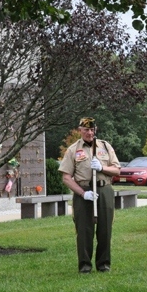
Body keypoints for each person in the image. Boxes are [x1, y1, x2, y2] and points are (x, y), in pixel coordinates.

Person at [59, 117, 121, 273]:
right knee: (84, 232)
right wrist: (82, 193)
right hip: (84, 191)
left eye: (92, 129)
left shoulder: (105, 146)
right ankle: (85, 266)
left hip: (104, 190)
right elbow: (66, 177)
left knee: (105, 230)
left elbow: (117, 170)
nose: (90, 133)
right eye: (86, 130)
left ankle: (104, 265)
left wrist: (102, 168)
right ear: (80, 130)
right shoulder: (73, 150)